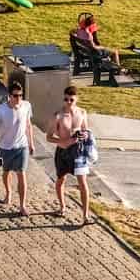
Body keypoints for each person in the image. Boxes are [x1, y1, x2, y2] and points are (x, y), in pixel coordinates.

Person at [0, 81, 34, 215]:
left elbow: (28, 125)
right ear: (9, 96)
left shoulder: (26, 106)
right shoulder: (1, 110)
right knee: (6, 172)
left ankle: (22, 205)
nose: (18, 98)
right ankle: (8, 193)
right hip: (5, 148)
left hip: (22, 147)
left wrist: (31, 143)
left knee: (21, 173)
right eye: (15, 95)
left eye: (20, 95)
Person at [47, 86, 92, 224]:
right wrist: (63, 141)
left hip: (78, 152)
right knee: (61, 180)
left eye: (71, 100)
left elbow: (87, 131)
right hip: (62, 152)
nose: (68, 102)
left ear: (76, 99)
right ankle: (62, 207)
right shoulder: (58, 115)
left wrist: (84, 134)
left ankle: (85, 216)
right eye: (65, 99)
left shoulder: (82, 113)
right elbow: (48, 137)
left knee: (82, 183)